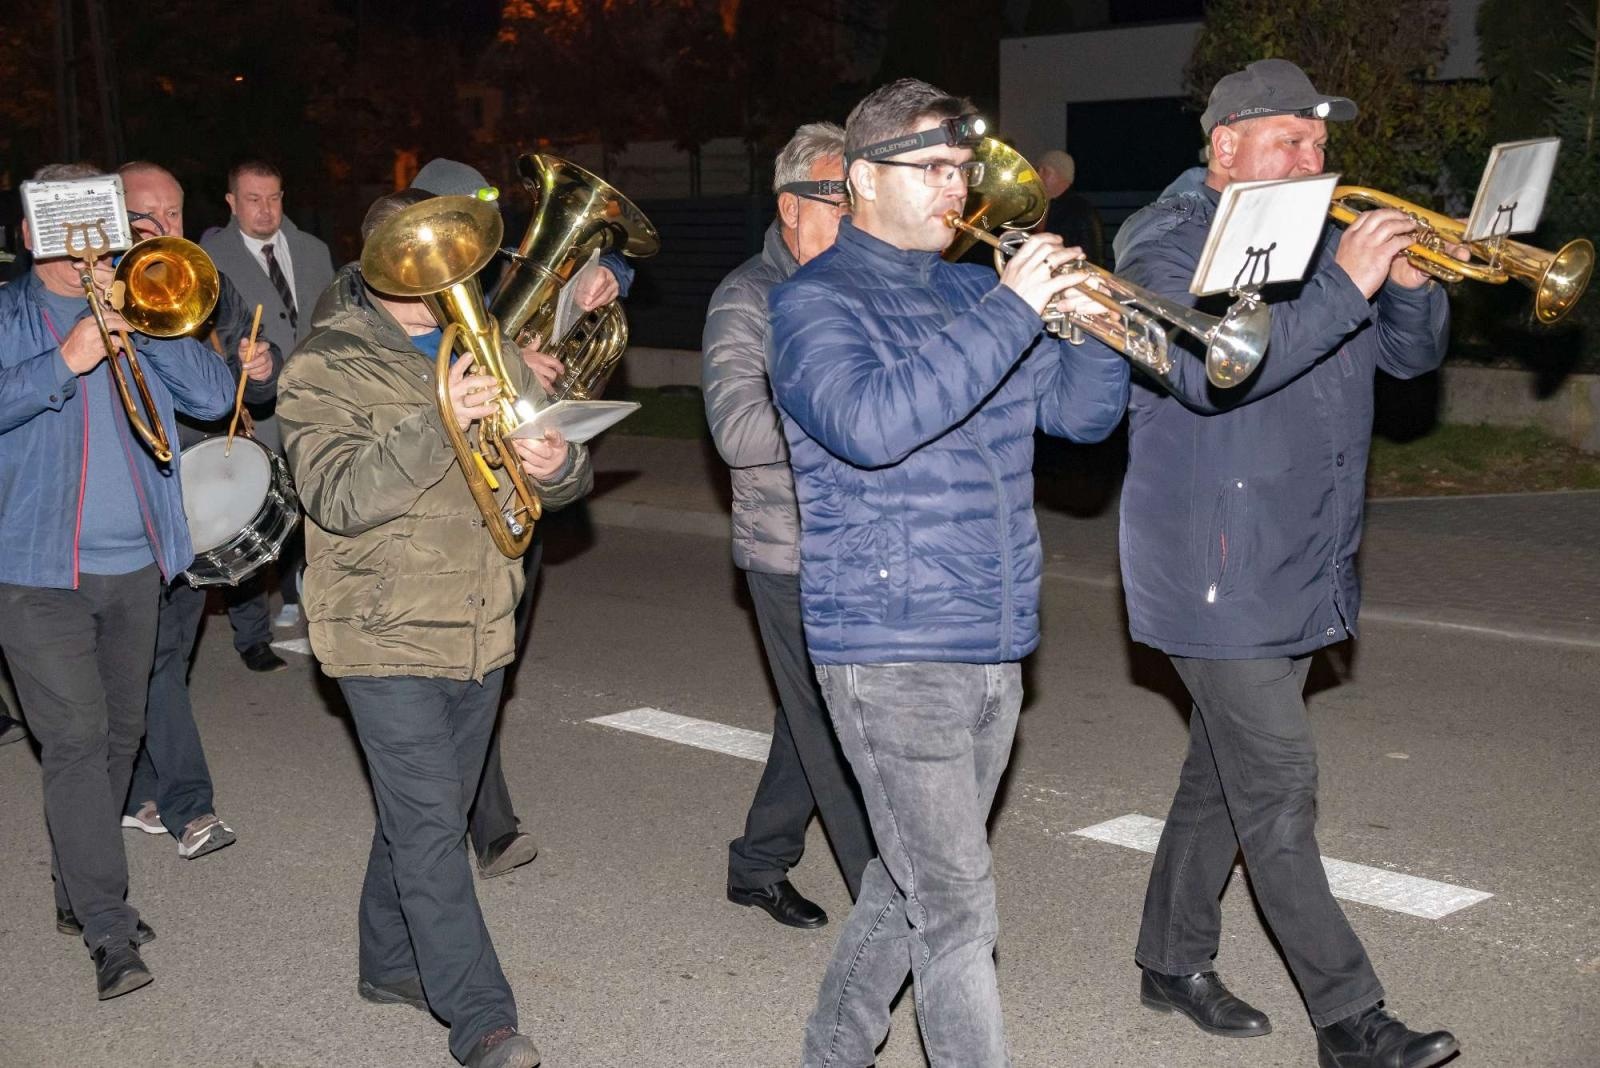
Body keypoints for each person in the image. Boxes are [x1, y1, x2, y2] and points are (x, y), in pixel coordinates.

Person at [769, 79, 1130, 1066]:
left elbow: (1083, 418)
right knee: (958, 909)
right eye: (931, 169)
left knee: (909, 886)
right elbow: (873, 425)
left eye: (961, 169)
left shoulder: (979, 294)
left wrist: (1092, 324)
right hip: (890, 651)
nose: (957, 187)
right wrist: (1015, 312)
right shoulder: (811, 306)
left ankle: (831, 1051)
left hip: (995, 639)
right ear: (859, 181)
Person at [1111, 58, 1459, 1068]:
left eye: (1319, 141)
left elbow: (1408, 361)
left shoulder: (1310, 238)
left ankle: (1168, 958)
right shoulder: (1164, 243)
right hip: (1211, 564)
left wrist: (1403, 291)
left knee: (1221, 776)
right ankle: (1351, 1021)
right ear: (1224, 148)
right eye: (1289, 140)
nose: (1314, 157)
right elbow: (1203, 371)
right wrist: (1346, 285)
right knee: (1277, 788)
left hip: (1302, 553)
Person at [278, 188, 592, 1068]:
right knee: (427, 830)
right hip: (381, 630)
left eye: (454, 250)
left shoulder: (487, 344)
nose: (445, 270)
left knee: (432, 814)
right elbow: (335, 497)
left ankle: (388, 963)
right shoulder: (324, 363)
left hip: (484, 619)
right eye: (422, 252)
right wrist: (440, 420)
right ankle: (482, 1019)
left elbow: (563, 476)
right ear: (379, 259)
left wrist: (561, 461)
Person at [0, 162, 235, 999]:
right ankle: (108, 928)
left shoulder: (140, 299)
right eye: (60, 225)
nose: (79, 245)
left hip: (138, 566)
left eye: (92, 222)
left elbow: (213, 399)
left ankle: (76, 887)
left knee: (117, 739)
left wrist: (143, 328)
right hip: (35, 573)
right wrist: (69, 356)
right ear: (31, 233)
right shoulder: (7, 315)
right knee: (72, 740)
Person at [408, 156, 633, 879]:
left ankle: (474, 817)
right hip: (438, 501)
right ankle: (480, 826)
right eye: (469, 211)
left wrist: (608, 280)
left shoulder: (492, 266)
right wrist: (506, 371)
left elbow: (608, 262)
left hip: (511, 486)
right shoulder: (396, 284)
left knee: (493, 661)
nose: (490, 227)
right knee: (461, 672)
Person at [703, 122, 875, 930]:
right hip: (789, 551)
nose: (853, 213)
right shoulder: (747, 297)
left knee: (809, 714)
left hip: (862, 541)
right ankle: (890, 910)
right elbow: (737, 432)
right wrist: (850, 416)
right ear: (791, 206)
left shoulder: (857, 284)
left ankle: (758, 861)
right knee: (835, 728)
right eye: (837, 197)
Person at [115, 160, 282, 861]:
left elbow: (248, 358)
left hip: (191, 497)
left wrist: (262, 361)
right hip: (123, 506)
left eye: (174, 215)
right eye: (145, 217)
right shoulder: (92, 297)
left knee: (163, 657)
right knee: (148, 663)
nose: (163, 229)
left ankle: (137, 792)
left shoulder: (199, 284)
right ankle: (190, 807)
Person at [202, 159, 335, 632]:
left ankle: (310, 593)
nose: (265, 210)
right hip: (252, 408)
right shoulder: (208, 258)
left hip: (317, 402)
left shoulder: (314, 250)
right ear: (231, 203)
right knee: (251, 518)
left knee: (319, 503)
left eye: (274, 198)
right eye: (253, 199)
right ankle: (251, 631)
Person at [1037, 150, 1105, 267]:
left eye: (1044, 171)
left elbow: (1090, 259)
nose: (1038, 175)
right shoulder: (1047, 206)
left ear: (1060, 174)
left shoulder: (1081, 210)